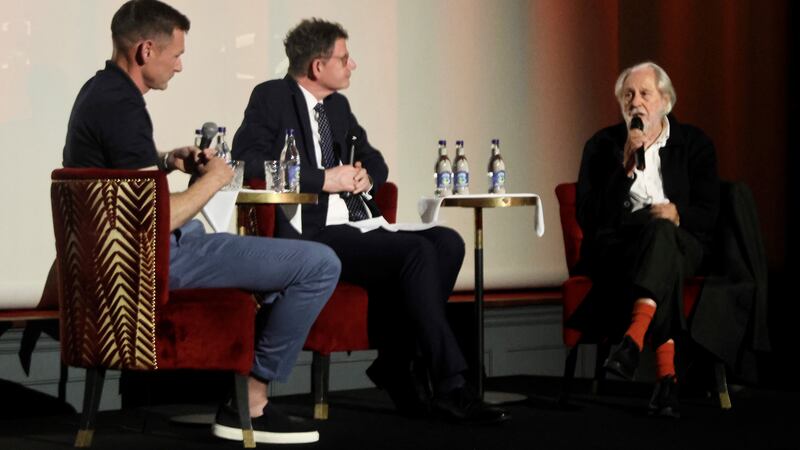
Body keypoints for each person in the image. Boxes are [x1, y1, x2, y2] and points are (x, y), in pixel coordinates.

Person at [62, 1, 341, 444]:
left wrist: (164, 160)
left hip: (126, 256)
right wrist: (213, 180)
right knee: (319, 264)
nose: (179, 66)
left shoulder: (99, 92)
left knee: (278, 273)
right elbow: (150, 217)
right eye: (176, 55)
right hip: (156, 259)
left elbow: (119, 181)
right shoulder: (124, 107)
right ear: (146, 51)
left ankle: (236, 392)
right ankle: (249, 401)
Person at [232, 18, 508, 425]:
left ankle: (395, 363)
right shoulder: (272, 98)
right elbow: (248, 160)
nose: (353, 65)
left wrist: (366, 174)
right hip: (316, 232)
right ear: (317, 67)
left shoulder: (338, 107)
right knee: (416, 251)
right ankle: (450, 384)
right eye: (344, 58)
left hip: (361, 223)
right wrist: (324, 179)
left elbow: (375, 158)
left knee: (448, 241)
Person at [568, 61, 721, 418]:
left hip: (683, 241)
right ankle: (666, 379)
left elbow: (709, 211)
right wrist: (624, 170)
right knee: (659, 244)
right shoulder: (601, 146)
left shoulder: (694, 144)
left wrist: (677, 212)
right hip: (621, 244)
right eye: (628, 95)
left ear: (665, 100)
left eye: (644, 94)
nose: (636, 103)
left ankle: (633, 339)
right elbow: (588, 216)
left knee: (664, 232)